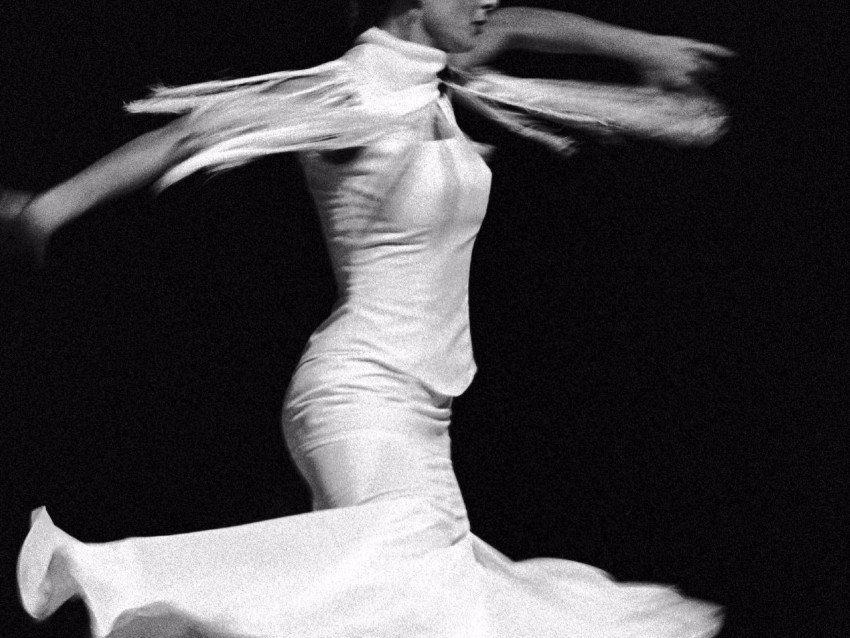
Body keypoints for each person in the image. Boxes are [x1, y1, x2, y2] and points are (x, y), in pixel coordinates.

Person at [5, 2, 735, 636]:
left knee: (425, 615)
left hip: (423, 411)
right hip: (357, 396)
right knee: (413, 580)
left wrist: (640, 47)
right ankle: (124, 578)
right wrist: (49, 209)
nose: (487, 0)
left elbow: (514, 24)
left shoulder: (435, 72)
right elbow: (190, 133)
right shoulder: (353, 89)